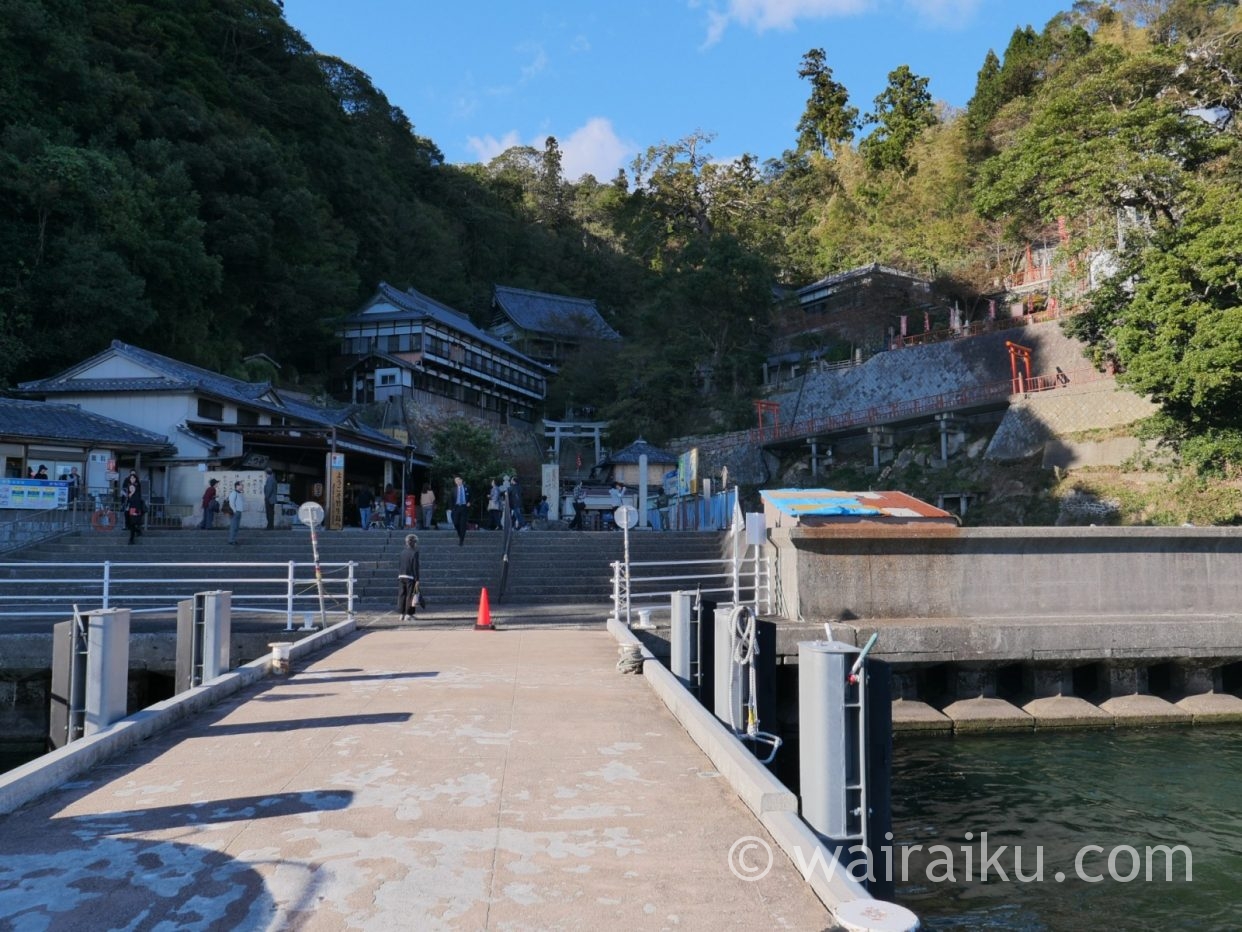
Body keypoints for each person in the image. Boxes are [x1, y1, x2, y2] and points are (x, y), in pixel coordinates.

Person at [397, 533, 421, 622]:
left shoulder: (402, 552)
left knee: (402, 595)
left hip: (401, 575)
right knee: (410, 595)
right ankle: (408, 614)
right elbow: (415, 566)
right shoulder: (415, 552)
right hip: (410, 576)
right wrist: (417, 578)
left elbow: (400, 564)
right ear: (414, 543)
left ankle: (401, 614)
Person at [123, 480, 145, 544]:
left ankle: (131, 540)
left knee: (132, 525)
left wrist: (136, 512)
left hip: (133, 510)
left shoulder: (136, 495)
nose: (131, 489)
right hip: (127, 511)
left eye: (132, 488)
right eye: (130, 488)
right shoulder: (129, 495)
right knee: (128, 525)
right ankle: (138, 531)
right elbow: (126, 502)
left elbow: (137, 504)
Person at [450, 474, 469, 546]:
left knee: (463, 525)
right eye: (455, 481)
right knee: (456, 523)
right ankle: (460, 535)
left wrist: (470, 502)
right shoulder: (453, 489)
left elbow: (472, 496)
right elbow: (451, 499)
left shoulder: (467, 487)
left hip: (464, 507)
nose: (457, 482)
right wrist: (451, 508)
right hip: (456, 508)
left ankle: (461, 540)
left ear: (461, 480)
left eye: (458, 480)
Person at [226, 480, 245, 545]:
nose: (242, 486)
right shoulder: (233, 493)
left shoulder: (239, 493)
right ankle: (231, 540)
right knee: (233, 526)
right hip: (235, 512)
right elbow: (231, 503)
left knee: (236, 527)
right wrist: (235, 511)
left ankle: (234, 539)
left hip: (239, 511)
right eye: (241, 485)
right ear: (237, 486)